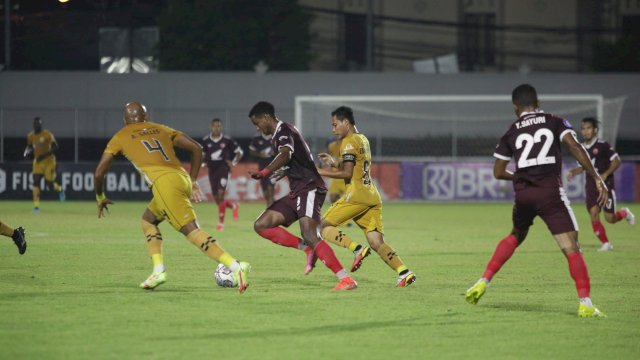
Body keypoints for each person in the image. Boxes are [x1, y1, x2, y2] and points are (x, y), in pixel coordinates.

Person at [465, 84, 608, 318]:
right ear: (538, 103)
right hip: (550, 192)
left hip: (524, 194)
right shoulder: (554, 121)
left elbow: (498, 172)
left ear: (515, 107)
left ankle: (483, 281)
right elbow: (574, 145)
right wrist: (596, 177)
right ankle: (586, 303)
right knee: (571, 247)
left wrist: (520, 176)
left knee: (516, 234)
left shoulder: (511, 131)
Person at [94, 102, 250, 293]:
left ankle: (235, 266)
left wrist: (100, 196)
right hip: (181, 177)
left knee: (192, 231)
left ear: (125, 120)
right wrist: (192, 181)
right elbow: (197, 149)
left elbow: (99, 172)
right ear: (146, 117)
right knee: (148, 220)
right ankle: (158, 270)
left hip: (164, 184)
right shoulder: (160, 128)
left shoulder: (120, 136)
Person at [248, 101, 357, 291]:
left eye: (257, 123)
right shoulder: (279, 134)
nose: (257, 128)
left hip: (310, 187)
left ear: (266, 117)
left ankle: (346, 279)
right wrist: (286, 170)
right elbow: (297, 156)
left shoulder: (283, 131)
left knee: (309, 233)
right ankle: (307, 248)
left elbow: (286, 153)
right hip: (298, 189)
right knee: (261, 224)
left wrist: (266, 172)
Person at [316, 106, 416, 287]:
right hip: (372, 196)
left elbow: (347, 174)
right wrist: (334, 162)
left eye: (335, 124)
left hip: (356, 195)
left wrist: (320, 172)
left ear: (346, 122)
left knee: (321, 227)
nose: (333, 129)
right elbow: (353, 166)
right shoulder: (362, 139)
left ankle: (356, 249)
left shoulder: (348, 141)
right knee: (376, 241)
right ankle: (404, 272)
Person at [566, 117, 635, 251]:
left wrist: (605, 174)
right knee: (593, 212)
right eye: (583, 128)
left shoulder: (603, 145)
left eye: (588, 128)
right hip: (591, 186)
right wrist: (574, 171)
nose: (585, 131)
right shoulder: (580, 148)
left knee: (610, 218)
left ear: (595, 130)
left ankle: (624, 213)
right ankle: (606, 243)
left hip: (606, 185)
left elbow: (617, 161)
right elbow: (583, 167)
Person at [202, 118, 243, 231]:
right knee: (217, 200)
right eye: (215, 126)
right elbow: (202, 154)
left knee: (220, 195)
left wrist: (233, 162)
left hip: (223, 169)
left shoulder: (227, 140)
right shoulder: (206, 140)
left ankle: (221, 224)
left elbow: (240, 152)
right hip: (212, 171)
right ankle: (233, 206)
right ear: (211, 126)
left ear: (221, 127)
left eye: (219, 126)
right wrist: (203, 163)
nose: (217, 128)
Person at [24, 117, 65, 213]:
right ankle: (36, 207)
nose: (37, 126)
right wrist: (26, 153)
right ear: (33, 125)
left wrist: (43, 156)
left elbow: (55, 146)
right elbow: (29, 147)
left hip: (49, 162)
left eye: (38, 124)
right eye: (35, 124)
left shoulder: (47, 134)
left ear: (41, 125)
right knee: (36, 181)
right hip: (37, 162)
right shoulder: (30, 136)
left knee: (49, 185)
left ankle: (60, 189)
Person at [249, 131, 276, 206]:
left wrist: (275, 153)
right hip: (261, 169)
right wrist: (260, 154)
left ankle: (270, 213)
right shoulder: (257, 138)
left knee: (270, 191)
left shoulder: (275, 137)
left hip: (273, 168)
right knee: (266, 194)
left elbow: (282, 151)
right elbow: (251, 151)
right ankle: (276, 206)